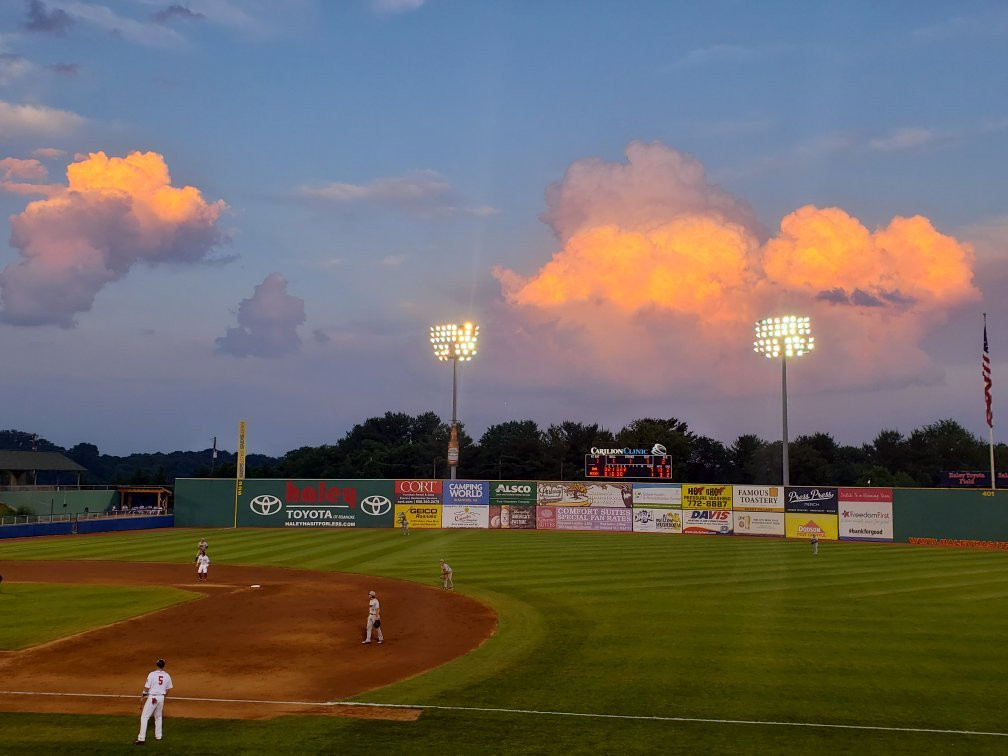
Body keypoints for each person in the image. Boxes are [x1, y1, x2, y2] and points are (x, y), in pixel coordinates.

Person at [135, 658, 173, 744]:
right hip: (161, 698)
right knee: (158, 717)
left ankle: (141, 739)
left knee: (144, 717)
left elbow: (147, 688)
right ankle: (158, 736)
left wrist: (143, 695)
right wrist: (163, 697)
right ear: (163, 666)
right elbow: (168, 689)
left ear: (157, 665)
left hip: (153, 698)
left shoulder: (152, 674)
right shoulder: (167, 675)